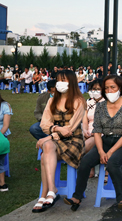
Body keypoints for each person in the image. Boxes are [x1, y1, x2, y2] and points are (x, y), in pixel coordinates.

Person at [64, 75, 122, 211]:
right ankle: (77, 197)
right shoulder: (100, 106)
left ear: (120, 88)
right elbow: (97, 131)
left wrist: (109, 152)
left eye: (112, 87)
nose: (109, 91)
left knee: (112, 162)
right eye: (107, 88)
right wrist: (100, 151)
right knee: (85, 162)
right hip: (105, 141)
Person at [34, 70, 86, 213]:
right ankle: (52, 189)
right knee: (47, 147)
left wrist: (50, 135)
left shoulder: (79, 101)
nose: (60, 83)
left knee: (46, 151)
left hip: (74, 141)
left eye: (63, 80)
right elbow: (44, 125)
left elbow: (69, 130)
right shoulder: (52, 100)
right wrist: (55, 129)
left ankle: (45, 194)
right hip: (56, 141)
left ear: (72, 82)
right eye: (58, 80)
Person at [82, 80, 104, 177]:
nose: (95, 91)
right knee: (78, 141)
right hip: (89, 132)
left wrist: (94, 133)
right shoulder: (88, 102)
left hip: (100, 133)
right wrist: (85, 131)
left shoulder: (107, 103)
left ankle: (86, 167)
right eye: (93, 89)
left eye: (98, 89)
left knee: (84, 146)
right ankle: (89, 169)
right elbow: (85, 120)